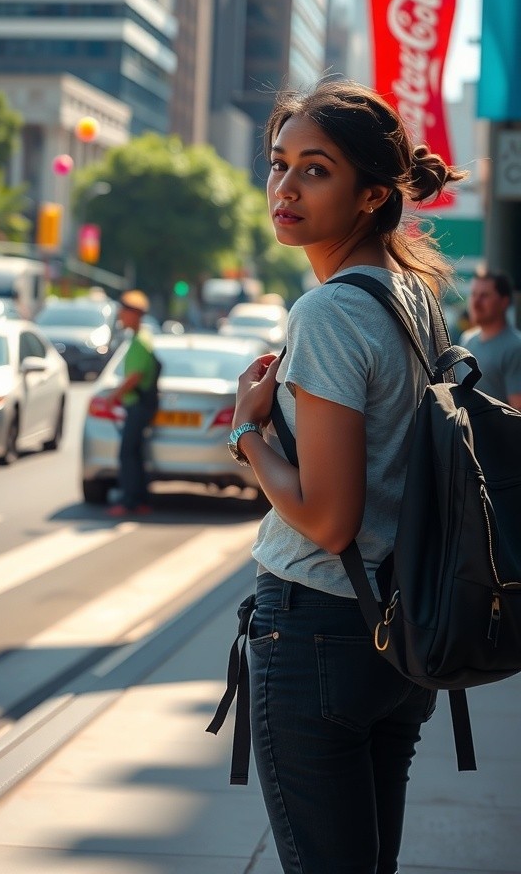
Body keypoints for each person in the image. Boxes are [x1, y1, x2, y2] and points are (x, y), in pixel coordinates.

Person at [225, 79, 468, 874]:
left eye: (315, 169)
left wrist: (248, 433)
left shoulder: (327, 313)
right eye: (278, 163)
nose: (285, 188)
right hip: (400, 635)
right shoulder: (414, 294)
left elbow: (329, 519)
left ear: (371, 195)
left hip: (319, 629)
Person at [106, 289, 158, 518]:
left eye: (124, 311)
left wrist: (113, 396)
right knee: (135, 454)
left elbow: (134, 377)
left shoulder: (139, 341)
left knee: (127, 454)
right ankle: (139, 500)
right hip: (139, 405)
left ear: (134, 314)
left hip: (137, 405)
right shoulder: (140, 338)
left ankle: (130, 501)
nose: (120, 316)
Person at [459, 270, 521, 408]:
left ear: (504, 302)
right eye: (473, 294)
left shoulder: (516, 347)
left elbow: (518, 411)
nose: (476, 302)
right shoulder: (467, 340)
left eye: (484, 295)